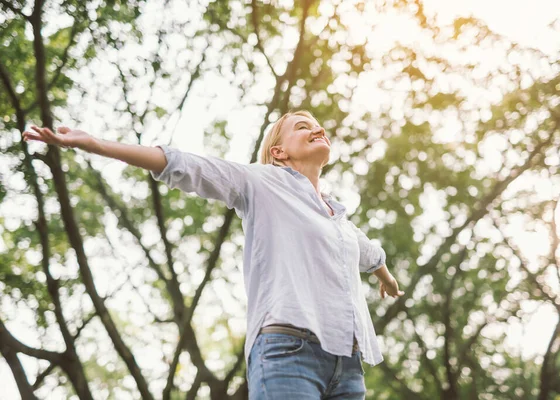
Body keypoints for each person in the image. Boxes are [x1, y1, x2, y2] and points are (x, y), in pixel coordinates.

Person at [22, 109, 403, 399]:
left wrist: (384, 273)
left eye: (318, 125)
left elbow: (368, 252)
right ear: (279, 152)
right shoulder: (262, 182)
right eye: (302, 126)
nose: (316, 128)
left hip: (348, 365)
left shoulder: (337, 217)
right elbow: (186, 166)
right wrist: (96, 144)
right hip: (290, 353)